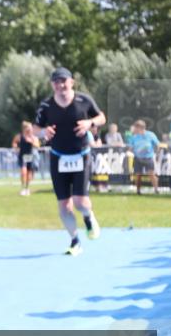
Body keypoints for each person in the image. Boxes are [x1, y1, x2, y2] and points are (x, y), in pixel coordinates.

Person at [33, 67, 106, 255]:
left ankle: (88, 217)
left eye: (63, 81)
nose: (60, 85)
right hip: (58, 157)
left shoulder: (84, 100)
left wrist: (90, 123)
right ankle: (75, 241)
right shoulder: (46, 106)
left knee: (80, 202)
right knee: (64, 206)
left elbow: (101, 117)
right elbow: (35, 129)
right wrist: (43, 132)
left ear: (71, 82)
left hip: (82, 155)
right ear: (52, 85)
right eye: (56, 82)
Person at [128, 119, 161, 194]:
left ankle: (156, 190)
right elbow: (130, 148)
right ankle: (138, 191)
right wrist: (131, 151)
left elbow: (157, 145)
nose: (135, 129)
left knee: (151, 174)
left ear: (140, 127)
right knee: (138, 175)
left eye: (136, 127)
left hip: (148, 158)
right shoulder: (134, 137)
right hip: (137, 158)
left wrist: (157, 154)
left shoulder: (150, 134)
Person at [12, 121, 41, 196]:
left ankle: (27, 188)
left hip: (30, 156)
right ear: (25, 129)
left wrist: (32, 142)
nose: (30, 129)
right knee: (23, 172)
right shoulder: (20, 136)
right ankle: (22, 188)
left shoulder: (33, 137)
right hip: (22, 156)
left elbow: (38, 146)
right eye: (29, 128)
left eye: (31, 128)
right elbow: (14, 142)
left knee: (29, 173)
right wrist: (15, 147)